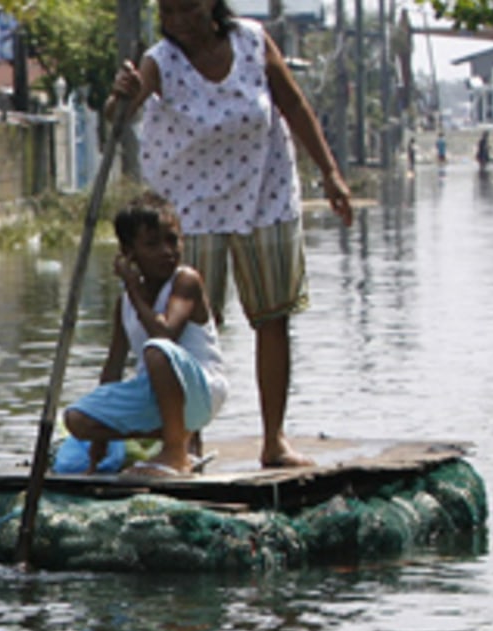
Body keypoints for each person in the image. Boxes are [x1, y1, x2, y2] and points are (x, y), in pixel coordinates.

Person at [112, 0, 353, 469]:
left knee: (272, 315)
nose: (178, 20)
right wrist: (121, 95)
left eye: (187, 8)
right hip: (191, 203)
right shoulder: (160, 60)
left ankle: (274, 441)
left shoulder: (251, 40)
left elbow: (294, 104)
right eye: (169, 11)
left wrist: (330, 172)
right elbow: (118, 115)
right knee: (189, 325)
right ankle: (187, 442)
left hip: (265, 190)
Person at [57, 194, 227, 478]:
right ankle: (179, 437)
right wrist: (97, 450)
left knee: (156, 350)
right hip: (156, 393)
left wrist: (134, 289)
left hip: (202, 390)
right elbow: (112, 368)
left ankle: (176, 452)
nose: (167, 251)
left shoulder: (186, 281)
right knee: (76, 419)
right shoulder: (124, 303)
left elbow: (165, 334)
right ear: (129, 252)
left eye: (172, 240)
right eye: (152, 244)